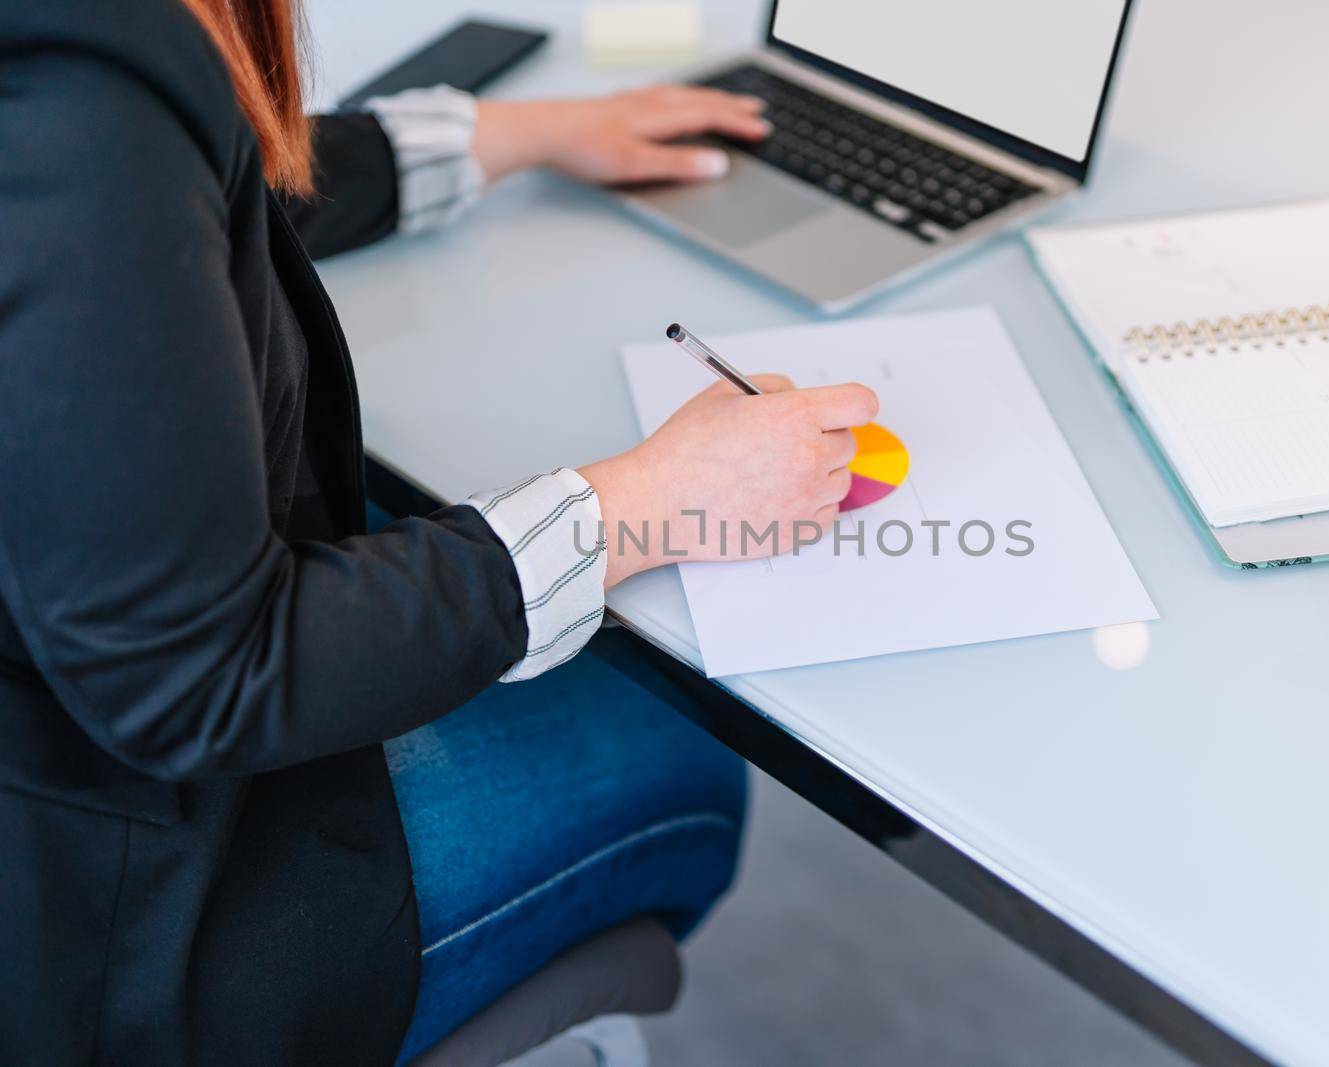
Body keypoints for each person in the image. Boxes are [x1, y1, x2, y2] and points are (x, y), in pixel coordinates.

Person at [0, 1, 878, 1063]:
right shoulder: (68, 119)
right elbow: (201, 675)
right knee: (681, 750)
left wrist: (512, 135)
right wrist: (651, 500)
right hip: (124, 933)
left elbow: (178, 213)